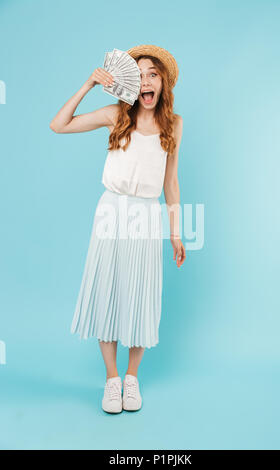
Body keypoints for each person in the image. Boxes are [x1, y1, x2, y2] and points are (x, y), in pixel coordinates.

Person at [49, 44, 186, 414]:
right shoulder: (115, 115)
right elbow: (58, 125)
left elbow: (170, 183)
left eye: (153, 75)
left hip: (146, 214)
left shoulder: (173, 125)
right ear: (128, 82)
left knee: (140, 296)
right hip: (111, 210)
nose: (146, 81)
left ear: (163, 83)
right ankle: (111, 380)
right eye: (139, 74)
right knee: (107, 291)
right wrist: (88, 84)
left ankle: (131, 377)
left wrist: (176, 231)